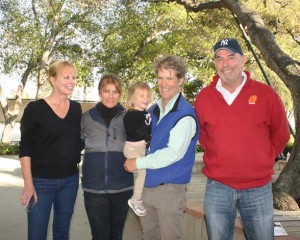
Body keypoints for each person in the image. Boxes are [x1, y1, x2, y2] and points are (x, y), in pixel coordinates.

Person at [194, 38, 290, 240]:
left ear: (242, 60)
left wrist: (261, 159)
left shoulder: (266, 94)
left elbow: (281, 134)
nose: (225, 64)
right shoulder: (203, 98)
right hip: (218, 187)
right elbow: (202, 136)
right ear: (215, 63)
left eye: (231, 57)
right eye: (219, 59)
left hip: (258, 188)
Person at [124, 55, 200, 240]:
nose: (163, 83)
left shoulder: (185, 115)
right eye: (160, 78)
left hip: (169, 191)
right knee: (149, 237)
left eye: (169, 78)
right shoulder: (152, 110)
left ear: (180, 80)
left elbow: (172, 154)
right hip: (146, 188)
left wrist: (138, 162)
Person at [19, 60, 82, 240]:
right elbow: (25, 150)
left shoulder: (77, 109)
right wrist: (28, 184)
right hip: (40, 182)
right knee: (37, 235)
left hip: (70, 181)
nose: (72, 81)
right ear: (53, 80)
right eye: (66, 77)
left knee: (62, 233)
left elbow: (80, 140)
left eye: (74, 77)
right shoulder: (35, 109)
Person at [81, 73, 133, 240]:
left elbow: (141, 144)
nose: (111, 95)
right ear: (99, 92)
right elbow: (74, 144)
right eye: (106, 90)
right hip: (93, 188)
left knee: (116, 235)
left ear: (120, 94)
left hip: (122, 187)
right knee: (99, 235)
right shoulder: (86, 118)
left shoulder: (129, 117)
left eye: (115, 91)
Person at [123, 82, 152, 217]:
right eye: (141, 96)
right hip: (132, 149)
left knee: (144, 172)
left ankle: (140, 196)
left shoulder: (145, 113)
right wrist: (147, 136)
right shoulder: (132, 114)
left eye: (147, 96)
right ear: (133, 99)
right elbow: (133, 130)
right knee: (142, 172)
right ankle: (135, 199)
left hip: (141, 148)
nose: (146, 99)